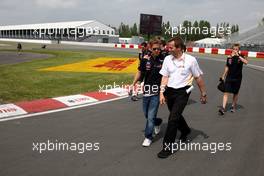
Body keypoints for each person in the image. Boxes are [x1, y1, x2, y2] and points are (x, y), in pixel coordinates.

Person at [158, 36, 207, 158]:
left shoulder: (191, 60)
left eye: (171, 47)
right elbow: (164, 77)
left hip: (183, 92)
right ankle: (185, 130)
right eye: (168, 47)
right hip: (170, 91)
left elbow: (198, 77)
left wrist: (203, 93)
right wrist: (161, 92)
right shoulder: (167, 59)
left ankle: (167, 148)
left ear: (179, 48)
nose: (168, 49)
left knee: (173, 118)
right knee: (176, 115)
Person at [131, 39, 165, 147]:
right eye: (154, 49)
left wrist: (163, 92)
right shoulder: (145, 59)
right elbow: (140, 71)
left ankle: (148, 137)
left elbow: (167, 76)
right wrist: (134, 83)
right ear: (150, 48)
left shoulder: (164, 60)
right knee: (147, 114)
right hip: (146, 91)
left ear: (161, 49)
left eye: (158, 49)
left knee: (150, 116)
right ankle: (158, 122)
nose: (156, 51)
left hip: (157, 92)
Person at [218, 43, 248, 115]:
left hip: (238, 78)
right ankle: (223, 108)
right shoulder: (229, 57)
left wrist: (238, 56)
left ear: (239, 50)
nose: (235, 50)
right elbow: (227, 67)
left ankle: (233, 106)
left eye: (236, 49)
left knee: (235, 93)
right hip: (229, 77)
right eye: (234, 49)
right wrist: (223, 75)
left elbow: (246, 62)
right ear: (232, 49)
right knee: (226, 92)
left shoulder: (242, 56)